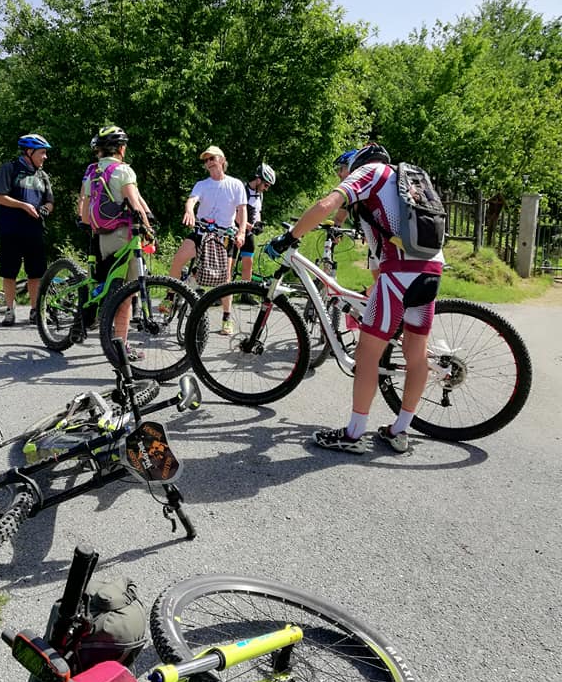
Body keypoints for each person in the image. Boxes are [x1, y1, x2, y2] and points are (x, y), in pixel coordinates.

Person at [268, 143, 444, 455]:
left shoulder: (370, 172)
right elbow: (379, 253)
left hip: (400, 273)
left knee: (366, 355)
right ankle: (399, 431)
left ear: (356, 163)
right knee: (416, 355)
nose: (342, 175)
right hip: (431, 270)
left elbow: (327, 204)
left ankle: (353, 435)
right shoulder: (399, 184)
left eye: (342, 170)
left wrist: (290, 236)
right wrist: (377, 291)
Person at [77, 124, 153, 355]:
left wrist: (91, 225)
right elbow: (135, 202)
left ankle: (94, 318)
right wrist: (149, 231)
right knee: (127, 295)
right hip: (123, 234)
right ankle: (121, 345)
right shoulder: (123, 171)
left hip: (102, 237)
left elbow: (84, 211)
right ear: (121, 148)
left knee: (109, 283)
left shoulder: (93, 171)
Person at [165, 145, 247, 335]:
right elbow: (192, 200)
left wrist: (241, 232)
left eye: (212, 158)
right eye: (206, 160)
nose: (208, 162)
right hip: (201, 231)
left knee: (225, 278)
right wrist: (189, 210)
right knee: (178, 259)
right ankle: (170, 297)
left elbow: (242, 210)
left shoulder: (235, 184)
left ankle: (227, 317)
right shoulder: (202, 184)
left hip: (224, 235)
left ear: (222, 160)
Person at [0, 133, 54, 325]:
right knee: (9, 272)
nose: (45, 157)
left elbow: (50, 202)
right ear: (29, 152)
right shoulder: (9, 169)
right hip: (11, 229)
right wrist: (23, 206)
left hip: (34, 230)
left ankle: (35, 310)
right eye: (42, 153)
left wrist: (45, 209)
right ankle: (9, 310)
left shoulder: (42, 175)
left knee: (36, 272)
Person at [230, 163, 276, 295]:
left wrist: (258, 224)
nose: (266, 189)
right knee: (230, 264)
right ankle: (222, 295)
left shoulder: (259, 194)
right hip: (235, 231)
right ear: (258, 180)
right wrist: (250, 227)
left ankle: (245, 294)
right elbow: (236, 215)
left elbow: (257, 211)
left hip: (248, 233)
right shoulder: (243, 191)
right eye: (266, 185)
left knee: (248, 263)